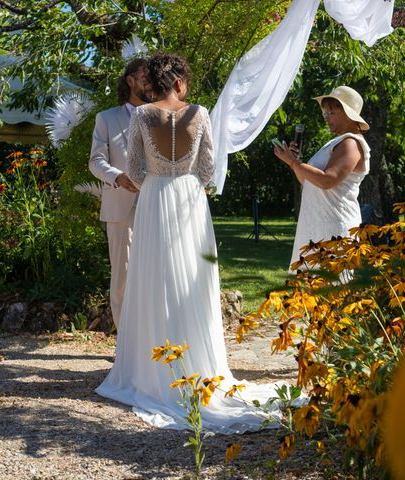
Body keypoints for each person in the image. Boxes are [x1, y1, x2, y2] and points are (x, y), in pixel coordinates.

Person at [96, 53, 280, 433]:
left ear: (155, 83)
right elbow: (209, 169)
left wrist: (159, 174)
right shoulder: (201, 113)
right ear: (180, 82)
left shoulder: (144, 116)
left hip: (155, 198)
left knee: (152, 278)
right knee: (192, 280)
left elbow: (133, 169)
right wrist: (187, 175)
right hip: (190, 200)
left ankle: (152, 370)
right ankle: (198, 364)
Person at [274, 86, 371, 279]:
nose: (326, 117)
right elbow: (309, 182)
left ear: (347, 113)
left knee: (333, 291)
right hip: (317, 222)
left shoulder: (351, 142)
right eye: (324, 112)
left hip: (335, 226)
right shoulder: (337, 142)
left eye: (331, 112)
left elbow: (328, 180)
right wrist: (296, 164)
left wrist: (294, 162)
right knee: (312, 292)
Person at [88, 58, 152, 329]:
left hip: (156, 204)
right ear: (130, 80)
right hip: (120, 206)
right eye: (145, 77)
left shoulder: (161, 116)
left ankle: (152, 343)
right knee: (123, 278)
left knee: (156, 275)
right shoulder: (106, 118)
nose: (150, 83)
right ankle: (125, 348)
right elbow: (95, 161)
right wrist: (117, 177)